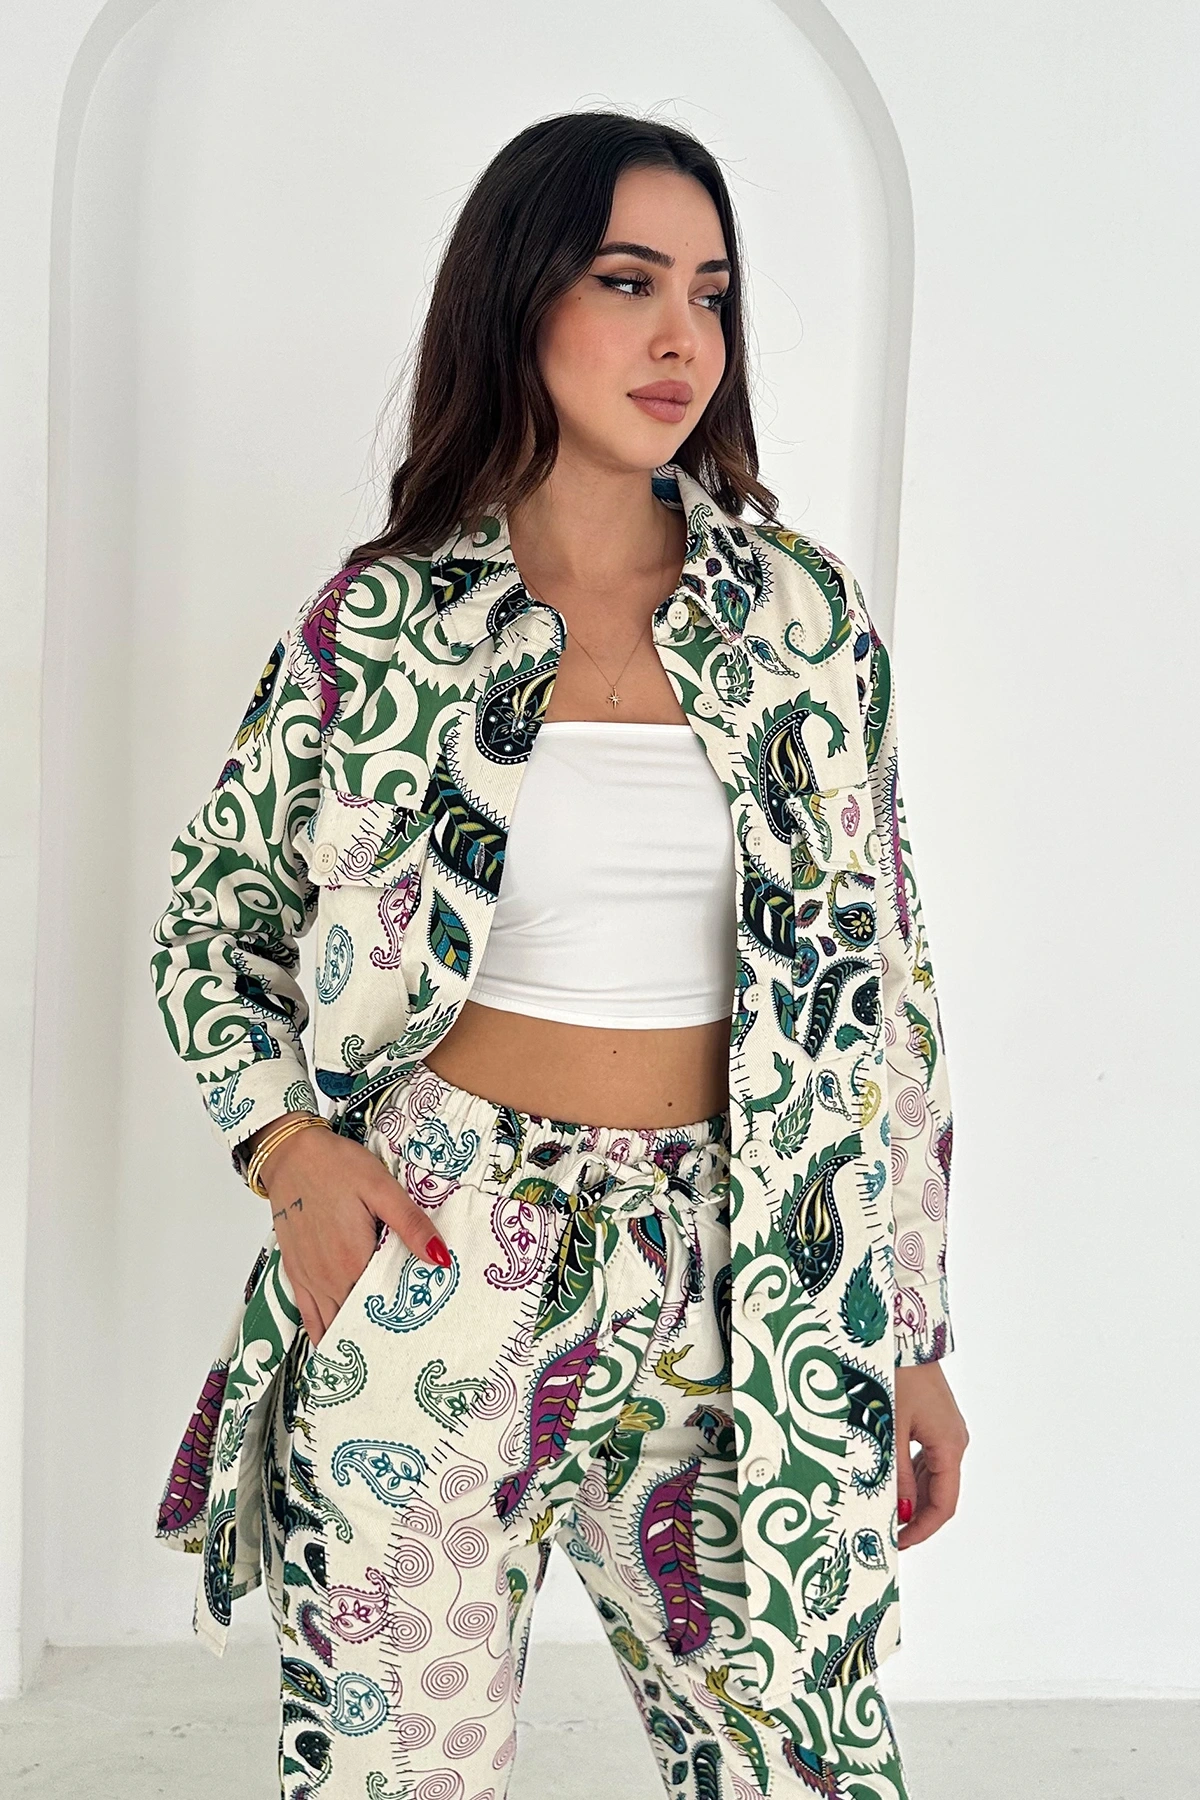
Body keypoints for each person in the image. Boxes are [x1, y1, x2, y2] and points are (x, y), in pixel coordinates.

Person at [150, 109, 968, 1800]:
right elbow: (210, 920)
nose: (684, 337)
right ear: (519, 298)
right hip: (444, 1243)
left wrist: (911, 1331)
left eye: (712, 293)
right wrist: (293, 1156)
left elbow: (887, 999)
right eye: (628, 281)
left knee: (806, 1765)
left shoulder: (801, 623)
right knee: (399, 1774)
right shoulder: (382, 625)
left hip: (756, 1266)